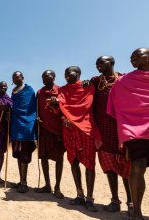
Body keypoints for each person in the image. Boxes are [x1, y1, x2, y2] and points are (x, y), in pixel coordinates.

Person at [50, 66, 102, 212]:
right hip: (69, 130)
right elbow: (61, 107)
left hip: (85, 129)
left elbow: (88, 104)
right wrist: (56, 105)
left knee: (90, 164)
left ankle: (90, 198)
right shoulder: (63, 90)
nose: (66, 75)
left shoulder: (88, 87)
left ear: (78, 73)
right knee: (73, 161)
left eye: (69, 72)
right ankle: (79, 194)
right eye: (64, 73)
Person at [107, 48, 149, 220]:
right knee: (138, 167)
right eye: (131, 57)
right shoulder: (124, 81)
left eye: (137, 56)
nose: (132, 59)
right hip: (134, 129)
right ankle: (137, 211)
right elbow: (114, 100)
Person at [90, 56, 132, 213]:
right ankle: (115, 200)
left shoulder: (123, 79)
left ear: (112, 63)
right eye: (97, 63)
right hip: (103, 132)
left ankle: (131, 201)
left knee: (126, 168)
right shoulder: (95, 81)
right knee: (109, 168)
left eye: (101, 62)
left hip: (121, 130)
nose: (98, 65)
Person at [35, 70, 65, 198]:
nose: (44, 79)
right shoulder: (39, 92)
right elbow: (36, 109)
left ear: (54, 77)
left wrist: (57, 104)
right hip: (43, 129)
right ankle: (47, 185)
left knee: (59, 159)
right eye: (42, 77)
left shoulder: (60, 90)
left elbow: (65, 108)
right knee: (43, 157)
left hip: (57, 130)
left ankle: (57, 187)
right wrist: (36, 118)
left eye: (47, 76)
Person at [10, 71, 37, 193]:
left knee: (25, 154)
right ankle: (21, 180)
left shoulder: (29, 90)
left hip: (26, 125)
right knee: (17, 154)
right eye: (13, 78)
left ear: (22, 77)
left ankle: (24, 183)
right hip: (16, 125)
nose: (15, 79)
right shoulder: (13, 91)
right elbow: (13, 106)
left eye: (17, 77)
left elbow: (32, 108)